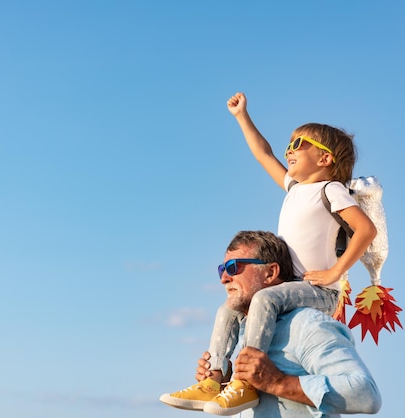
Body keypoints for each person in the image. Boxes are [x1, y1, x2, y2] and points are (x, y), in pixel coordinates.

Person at [160, 93, 378, 415]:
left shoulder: (330, 190)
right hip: (291, 288)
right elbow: (264, 154)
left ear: (325, 159)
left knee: (263, 300)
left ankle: (246, 384)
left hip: (319, 290)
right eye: (290, 143)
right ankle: (215, 379)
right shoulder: (295, 188)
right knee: (226, 312)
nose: (290, 149)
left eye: (300, 143)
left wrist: (335, 274)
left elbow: (366, 230)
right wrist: (242, 117)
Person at [172, 230, 382, 417]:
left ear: (271, 273)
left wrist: (278, 383)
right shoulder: (242, 334)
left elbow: (366, 394)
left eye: (234, 267)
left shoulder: (306, 325)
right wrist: (225, 380)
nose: (224, 278)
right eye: (222, 270)